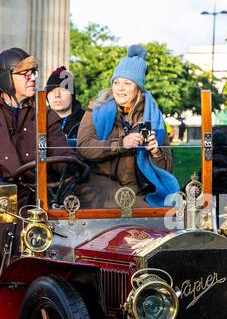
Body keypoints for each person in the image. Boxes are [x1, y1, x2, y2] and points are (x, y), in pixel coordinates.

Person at [0, 48, 73, 247]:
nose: (32, 78)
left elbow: (61, 149)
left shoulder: (44, 112)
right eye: (24, 74)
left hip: (40, 190)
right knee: (23, 235)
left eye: (33, 72)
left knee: (80, 225)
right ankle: (14, 271)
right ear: (6, 78)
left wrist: (72, 167)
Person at [75, 44, 180, 208]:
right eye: (116, 82)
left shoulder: (152, 117)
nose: (120, 88)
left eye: (127, 83)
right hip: (97, 185)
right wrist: (121, 144)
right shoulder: (96, 110)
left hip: (138, 190)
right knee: (145, 212)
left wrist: (155, 153)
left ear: (138, 88)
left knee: (176, 210)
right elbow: (84, 147)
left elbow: (167, 170)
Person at [44, 66, 83, 147]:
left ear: (72, 95)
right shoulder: (37, 121)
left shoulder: (86, 120)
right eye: (52, 90)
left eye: (63, 89)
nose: (57, 95)